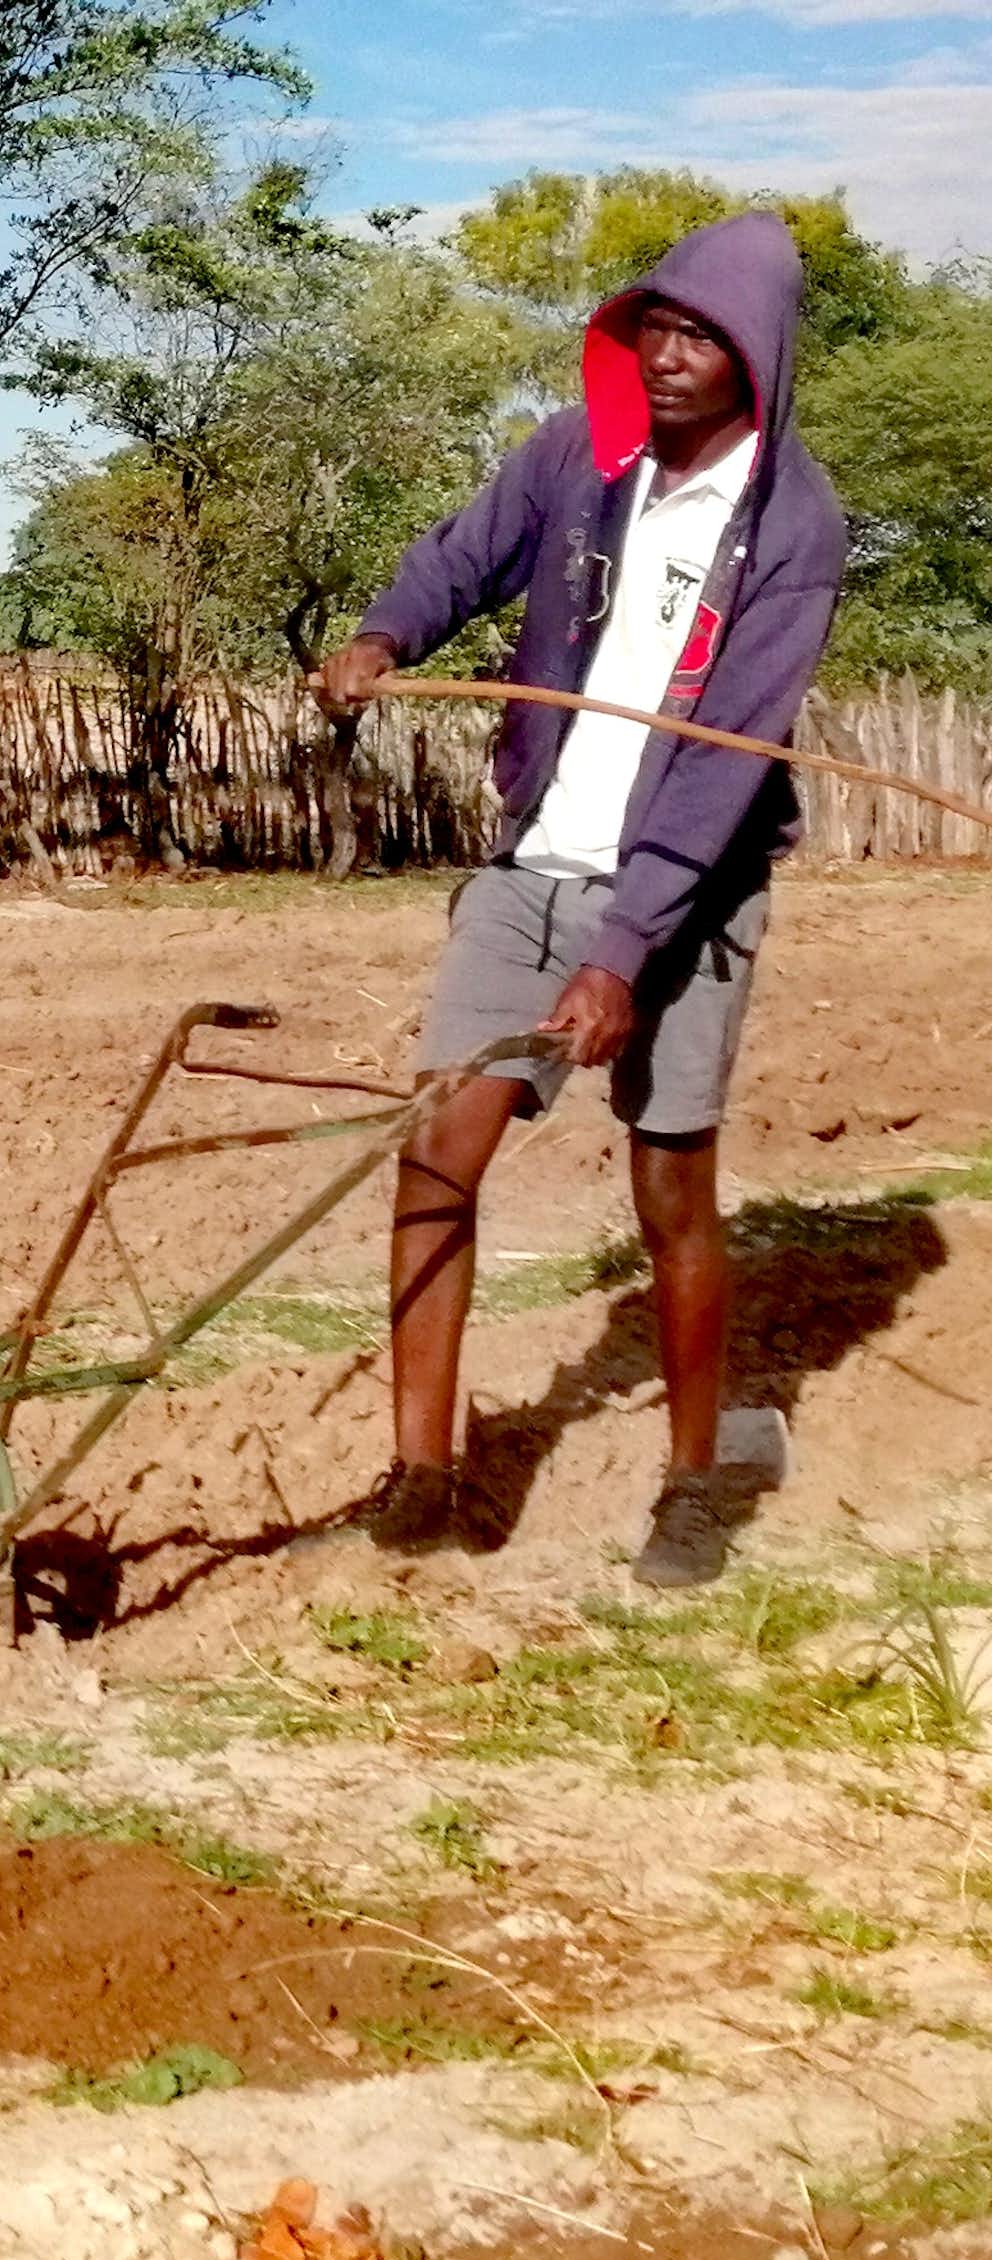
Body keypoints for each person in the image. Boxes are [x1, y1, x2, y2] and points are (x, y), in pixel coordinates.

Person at [313, 211, 845, 1588]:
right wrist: (383, 632)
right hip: (531, 865)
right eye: (655, 327)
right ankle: (426, 1474)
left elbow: (721, 777)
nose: (668, 358)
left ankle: (691, 1484)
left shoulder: (794, 524)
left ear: (761, 356)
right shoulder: (576, 453)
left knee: (670, 1184)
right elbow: (459, 555)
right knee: (439, 1151)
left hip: (688, 899)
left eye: (703, 337)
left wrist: (622, 952)